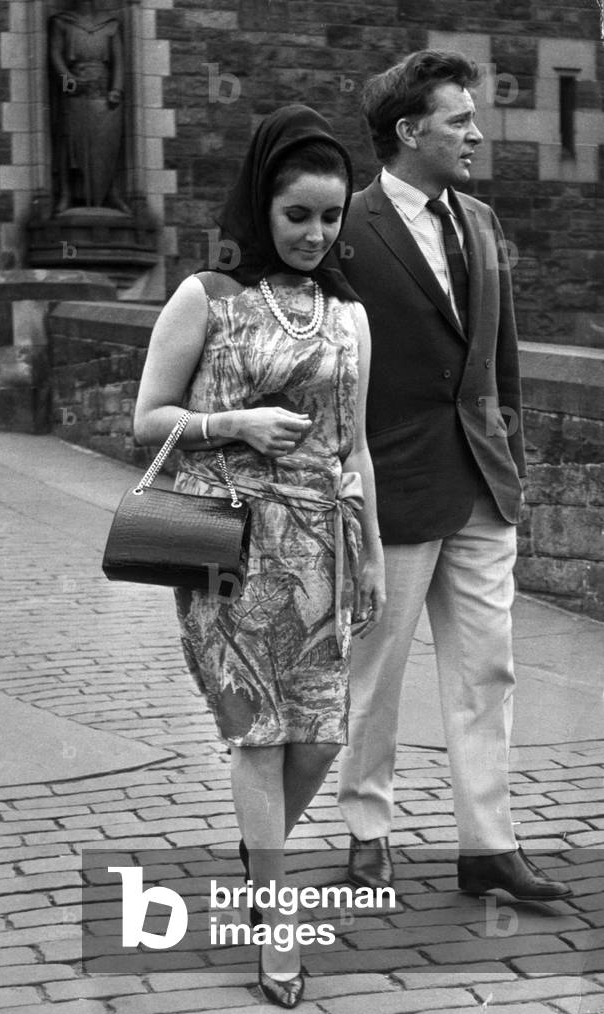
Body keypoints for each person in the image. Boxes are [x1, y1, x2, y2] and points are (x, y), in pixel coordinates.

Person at [133, 106, 384, 1009]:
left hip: (321, 548)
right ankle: (275, 919)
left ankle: (258, 852)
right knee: (259, 733)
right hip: (226, 546)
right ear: (260, 206)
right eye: (296, 215)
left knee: (318, 738)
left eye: (330, 216)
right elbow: (148, 419)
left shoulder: (349, 314)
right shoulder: (206, 296)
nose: (314, 234)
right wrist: (233, 422)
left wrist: (372, 554)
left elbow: (354, 447)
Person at [336, 50, 572, 901]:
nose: (476, 133)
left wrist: (511, 461)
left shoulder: (478, 219)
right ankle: (368, 832)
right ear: (409, 131)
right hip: (390, 491)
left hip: (480, 484)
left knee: (485, 671)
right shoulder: (345, 228)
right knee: (375, 674)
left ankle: (487, 845)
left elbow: (498, 360)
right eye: (458, 120)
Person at [49, 0, 130, 214]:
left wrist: (116, 89)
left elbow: (119, 62)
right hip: (74, 90)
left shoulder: (111, 24)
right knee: (70, 143)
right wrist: (71, 83)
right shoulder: (61, 22)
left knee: (107, 142)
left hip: (103, 92)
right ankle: (66, 195)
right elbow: (56, 56)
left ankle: (111, 193)